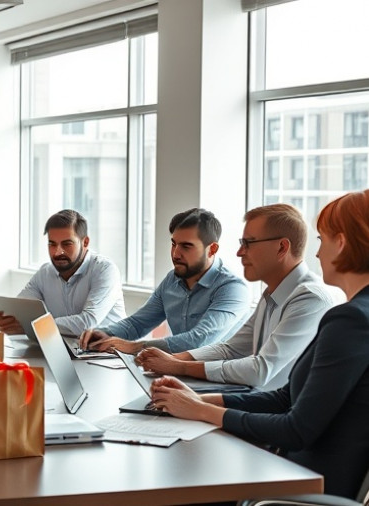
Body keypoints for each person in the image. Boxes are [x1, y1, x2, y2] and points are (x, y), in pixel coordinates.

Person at [150, 191, 369, 499]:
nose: (317, 254)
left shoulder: (351, 319)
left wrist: (200, 410)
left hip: (302, 481)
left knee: (175, 482)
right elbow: (286, 398)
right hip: (292, 467)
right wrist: (201, 401)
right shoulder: (351, 313)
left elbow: (296, 428)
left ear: (342, 243)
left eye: (322, 239)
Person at [138, 204, 340, 390]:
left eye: (248, 243)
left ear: (281, 248)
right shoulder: (272, 293)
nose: (239, 252)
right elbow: (231, 349)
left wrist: (179, 367)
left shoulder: (311, 299)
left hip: (279, 417)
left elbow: (260, 371)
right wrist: (173, 359)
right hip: (259, 405)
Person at [80, 208, 250, 354]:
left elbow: (198, 341)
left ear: (212, 249)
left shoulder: (232, 288)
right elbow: (137, 323)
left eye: (186, 246)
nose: (175, 254)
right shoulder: (172, 280)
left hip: (223, 383)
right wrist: (105, 334)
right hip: (179, 373)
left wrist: (133, 347)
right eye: (173, 244)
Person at [0, 209, 125, 336]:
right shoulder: (45, 273)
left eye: (67, 244)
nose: (57, 252)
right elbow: (21, 310)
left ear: (85, 242)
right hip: (64, 351)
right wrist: (9, 319)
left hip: (109, 355)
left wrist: (32, 327)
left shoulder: (105, 270)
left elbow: (87, 322)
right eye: (52, 244)